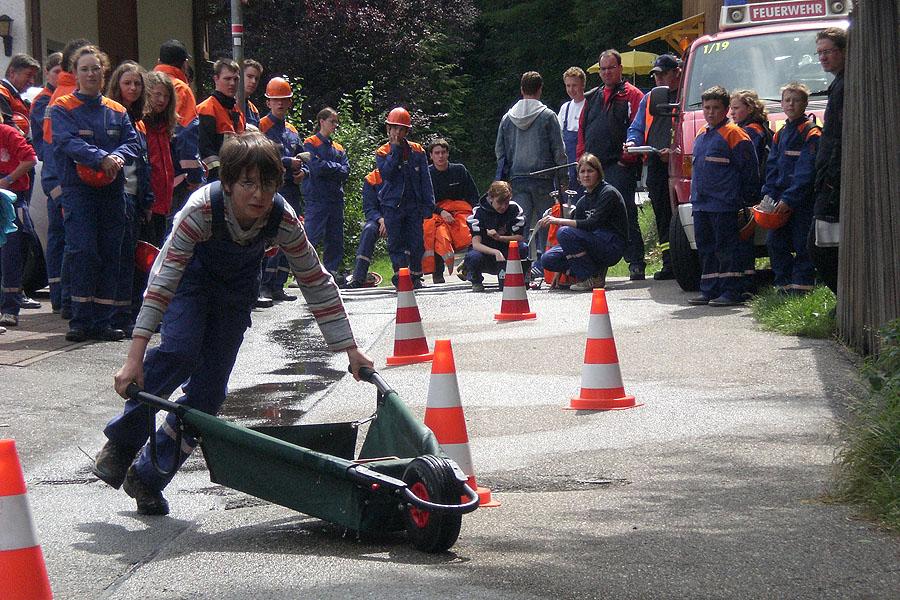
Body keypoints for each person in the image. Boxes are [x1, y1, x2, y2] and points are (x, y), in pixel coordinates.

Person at [91, 132, 373, 516]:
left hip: (236, 292)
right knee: (180, 350)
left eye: (268, 184)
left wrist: (350, 348)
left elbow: (315, 279)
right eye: (247, 183)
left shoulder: (282, 218)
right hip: (188, 280)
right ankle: (122, 442)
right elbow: (162, 283)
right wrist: (133, 359)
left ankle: (148, 476)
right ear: (227, 183)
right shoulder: (200, 210)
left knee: (209, 396)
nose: (259, 194)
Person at [51, 45, 139, 341]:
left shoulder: (117, 111)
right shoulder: (62, 108)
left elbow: (133, 143)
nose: (90, 73)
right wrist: (100, 157)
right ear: (75, 74)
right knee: (83, 251)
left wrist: (117, 158)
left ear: (104, 73)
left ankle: (103, 321)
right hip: (79, 192)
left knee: (110, 253)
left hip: (112, 191)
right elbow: (65, 142)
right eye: (84, 69)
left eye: (95, 68)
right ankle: (80, 320)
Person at [687, 86, 759, 307]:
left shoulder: (735, 134)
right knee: (706, 248)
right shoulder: (702, 133)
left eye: (715, 108)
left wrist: (746, 200)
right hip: (701, 204)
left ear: (726, 109)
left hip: (725, 204)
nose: (710, 112)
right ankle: (710, 289)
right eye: (707, 107)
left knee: (726, 249)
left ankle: (732, 291)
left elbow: (749, 169)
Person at [578, 49, 645, 280]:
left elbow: (640, 127)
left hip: (620, 166)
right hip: (594, 167)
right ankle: (597, 264)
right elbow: (582, 131)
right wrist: (582, 161)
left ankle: (635, 261)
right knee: (592, 215)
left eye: (611, 67)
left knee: (625, 213)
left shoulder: (632, 95)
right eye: (603, 68)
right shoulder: (592, 97)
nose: (607, 72)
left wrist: (628, 159)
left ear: (620, 68)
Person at [495, 71, 567, 264]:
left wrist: (504, 178)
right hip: (543, 178)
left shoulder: (507, 118)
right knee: (547, 224)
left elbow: (500, 152)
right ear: (540, 89)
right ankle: (546, 265)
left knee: (520, 225)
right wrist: (563, 179)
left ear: (521, 89)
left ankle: (520, 266)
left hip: (517, 178)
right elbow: (559, 151)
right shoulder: (548, 116)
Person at [42, 39, 91, 318]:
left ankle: (62, 298)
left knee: (64, 241)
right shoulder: (70, 96)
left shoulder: (58, 93)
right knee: (72, 242)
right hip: (70, 180)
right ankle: (67, 300)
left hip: (58, 179)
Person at [106, 61, 154, 336]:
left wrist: (147, 199)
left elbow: (144, 163)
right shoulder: (111, 115)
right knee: (119, 258)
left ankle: (128, 312)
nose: (133, 88)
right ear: (117, 86)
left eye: (137, 83)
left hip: (136, 196)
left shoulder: (140, 121)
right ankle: (116, 314)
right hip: (118, 195)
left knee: (133, 258)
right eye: (127, 83)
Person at [625, 54, 682, 281]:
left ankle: (687, 260)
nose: (658, 79)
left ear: (676, 73)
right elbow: (637, 127)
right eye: (656, 75)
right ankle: (669, 262)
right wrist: (632, 142)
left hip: (682, 161)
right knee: (662, 214)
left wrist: (675, 149)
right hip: (657, 163)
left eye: (663, 74)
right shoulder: (649, 99)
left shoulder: (687, 95)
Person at [761, 83, 821, 295]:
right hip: (779, 201)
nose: (791, 104)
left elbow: (806, 172)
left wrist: (789, 199)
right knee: (775, 243)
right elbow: (772, 166)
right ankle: (783, 287)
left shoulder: (811, 133)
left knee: (802, 243)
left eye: (796, 100)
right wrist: (768, 195)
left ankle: (802, 288)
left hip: (802, 201)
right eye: (787, 100)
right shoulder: (781, 133)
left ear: (805, 104)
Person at [539, 153, 627, 291]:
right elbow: (577, 233)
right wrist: (559, 271)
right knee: (548, 259)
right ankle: (594, 274)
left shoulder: (608, 193)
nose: (586, 175)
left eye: (590, 171)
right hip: (592, 243)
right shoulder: (583, 201)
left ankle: (590, 277)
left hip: (611, 246)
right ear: (578, 176)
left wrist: (558, 220)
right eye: (582, 171)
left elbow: (593, 223)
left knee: (564, 232)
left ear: (598, 173)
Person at [259, 76, 307, 301]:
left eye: (284, 100)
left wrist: (302, 172)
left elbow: (304, 156)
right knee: (271, 237)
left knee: (290, 235)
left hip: (291, 191)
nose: (280, 104)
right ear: (268, 102)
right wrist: (288, 163)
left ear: (289, 102)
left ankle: (279, 284)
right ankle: (264, 285)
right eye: (275, 100)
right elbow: (263, 156)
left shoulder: (292, 130)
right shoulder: (262, 127)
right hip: (272, 189)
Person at [375, 107, 435, 288]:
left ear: (406, 131)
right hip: (392, 205)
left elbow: (425, 178)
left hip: (413, 204)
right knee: (396, 242)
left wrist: (429, 204)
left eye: (401, 129)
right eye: (394, 128)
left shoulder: (418, 150)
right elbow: (387, 174)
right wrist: (395, 151)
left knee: (416, 242)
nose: (397, 132)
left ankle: (416, 276)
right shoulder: (383, 152)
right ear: (388, 129)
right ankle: (400, 275)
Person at [809, 26, 846, 294]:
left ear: (844, 51)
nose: (822, 57)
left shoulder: (845, 86)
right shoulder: (839, 84)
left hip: (835, 180)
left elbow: (839, 139)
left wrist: (830, 177)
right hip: (829, 177)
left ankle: (845, 301)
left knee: (819, 247)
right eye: (819, 52)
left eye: (828, 51)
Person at [153, 39, 203, 228]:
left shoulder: (147, 83)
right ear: (184, 63)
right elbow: (187, 132)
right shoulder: (181, 89)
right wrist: (193, 175)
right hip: (176, 176)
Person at [729, 89, 772, 295]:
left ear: (750, 108)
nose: (732, 112)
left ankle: (746, 284)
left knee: (743, 238)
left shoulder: (752, 131)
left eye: (736, 108)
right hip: (750, 191)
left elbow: (744, 161)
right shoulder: (751, 128)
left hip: (748, 192)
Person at [302, 107, 349, 278]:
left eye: (336, 122)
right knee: (311, 236)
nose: (335, 125)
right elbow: (314, 167)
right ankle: (304, 272)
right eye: (332, 121)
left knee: (335, 238)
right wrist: (334, 168)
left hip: (335, 198)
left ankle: (332, 271)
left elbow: (345, 171)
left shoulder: (338, 148)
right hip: (317, 197)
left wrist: (327, 166)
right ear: (322, 121)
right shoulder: (310, 142)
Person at [423, 139, 477, 283]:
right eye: (437, 153)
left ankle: (469, 267)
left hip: (460, 212)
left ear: (448, 154)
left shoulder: (459, 170)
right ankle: (437, 273)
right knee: (437, 234)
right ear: (431, 156)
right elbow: (424, 201)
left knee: (472, 231)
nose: (440, 156)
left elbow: (473, 195)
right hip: (437, 213)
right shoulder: (426, 174)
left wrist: (476, 214)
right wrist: (441, 211)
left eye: (443, 152)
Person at [0, 122, 37, 326]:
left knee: (10, 254)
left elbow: (30, 159)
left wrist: (7, 179)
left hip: (11, 198)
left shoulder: (7, 133)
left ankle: (10, 308)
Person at [463, 181, 527, 293]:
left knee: (523, 248)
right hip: (486, 252)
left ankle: (519, 277)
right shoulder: (478, 213)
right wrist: (496, 252)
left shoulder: (514, 209)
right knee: (473, 256)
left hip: (506, 249)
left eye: (506, 203)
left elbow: (519, 237)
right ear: (491, 198)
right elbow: (476, 244)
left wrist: (500, 238)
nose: (503, 207)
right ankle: (476, 279)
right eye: (500, 203)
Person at [141, 70, 177, 248]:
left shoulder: (165, 127)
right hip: (147, 204)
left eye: (166, 96)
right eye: (157, 95)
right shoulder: (142, 124)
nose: (162, 100)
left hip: (163, 204)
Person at [198, 59, 245, 183]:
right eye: (227, 78)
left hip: (236, 179)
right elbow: (205, 151)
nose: (232, 83)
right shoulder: (206, 109)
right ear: (216, 79)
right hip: (215, 180)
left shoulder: (237, 111)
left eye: (236, 79)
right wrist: (220, 178)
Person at [346, 168, 386, 289]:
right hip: (379, 220)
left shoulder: (402, 173)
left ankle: (410, 275)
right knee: (369, 230)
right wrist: (381, 220)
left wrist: (391, 220)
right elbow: (369, 208)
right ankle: (358, 277)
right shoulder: (371, 179)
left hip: (398, 217)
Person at [29, 52, 63, 164]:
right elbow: (55, 127)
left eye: (65, 72)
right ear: (47, 73)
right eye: (57, 71)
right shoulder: (42, 100)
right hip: (52, 159)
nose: (61, 76)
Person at [558, 67, 586, 190]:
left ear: (583, 85)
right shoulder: (565, 108)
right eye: (568, 85)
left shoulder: (589, 105)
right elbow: (558, 138)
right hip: (567, 167)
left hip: (584, 166)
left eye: (574, 85)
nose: (571, 89)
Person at [0, 54, 40, 140]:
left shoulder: (17, 97)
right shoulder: (2, 93)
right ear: (12, 73)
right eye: (28, 75)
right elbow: (8, 124)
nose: (32, 81)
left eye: (34, 77)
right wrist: (29, 145)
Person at [241, 59, 263, 130]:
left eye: (256, 79)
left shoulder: (254, 110)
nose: (253, 81)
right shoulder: (227, 105)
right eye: (249, 76)